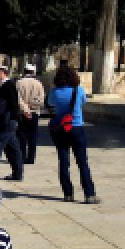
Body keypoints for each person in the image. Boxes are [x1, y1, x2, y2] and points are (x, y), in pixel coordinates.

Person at [47, 65, 100, 204]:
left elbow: (50, 104)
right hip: (77, 127)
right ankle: (89, 194)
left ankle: (68, 194)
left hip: (61, 129)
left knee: (64, 162)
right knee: (82, 163)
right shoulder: (79, 90)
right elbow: (83, 102)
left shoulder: (54, 92)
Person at [16, 64, 45, 165]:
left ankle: (22, 157)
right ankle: (31, 158)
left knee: (22, 135)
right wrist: (31, 106)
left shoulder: (19, 83)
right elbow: (41, 100)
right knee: (33, 135)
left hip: (22, 113)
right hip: (34, 112)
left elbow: (18, 99)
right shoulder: (38, 83)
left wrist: (25, 108)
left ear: (24, 71)